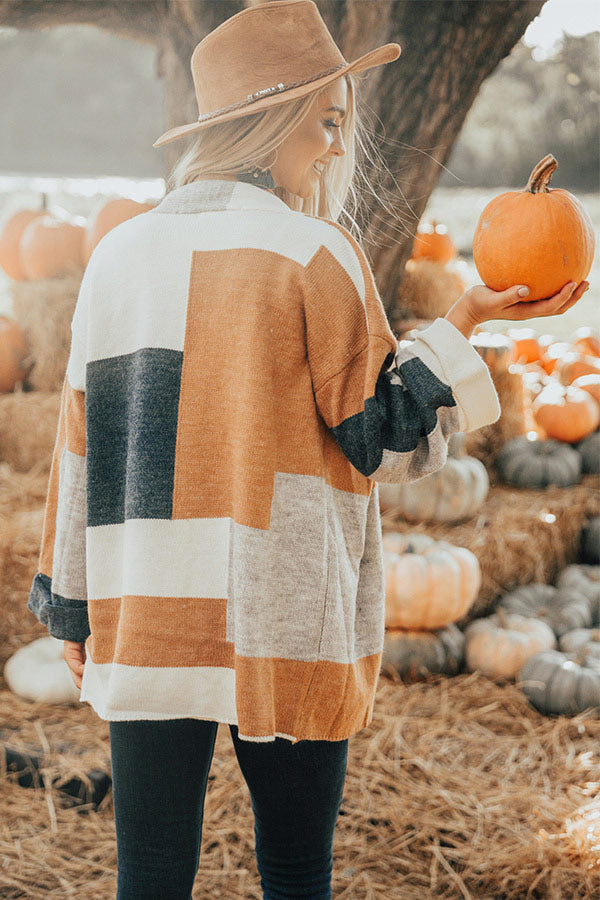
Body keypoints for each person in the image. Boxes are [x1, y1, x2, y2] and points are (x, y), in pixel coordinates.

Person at [27, 2, 588, 898]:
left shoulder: (117, 257)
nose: (334, 145)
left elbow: (79, 448)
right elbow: (386, 441)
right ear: (275, 117)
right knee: (295, 873)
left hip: (150, 612)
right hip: (281, 614)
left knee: (152, 876)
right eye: (327, 120)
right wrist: (465, 323)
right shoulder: (314, 255)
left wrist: (71, 607)